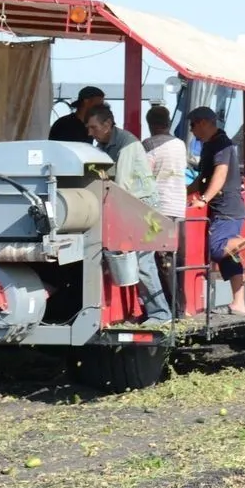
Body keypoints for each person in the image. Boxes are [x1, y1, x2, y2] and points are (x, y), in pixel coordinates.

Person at [84, 104, 173, 327]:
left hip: (142, 208)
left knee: (143, 262)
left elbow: (121, 187)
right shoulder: (103, 144)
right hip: (130, 205)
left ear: (107, 124)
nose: (90, 133)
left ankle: (161, 314)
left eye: (94, 127)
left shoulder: (127, 144)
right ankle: (145, 310)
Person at [187, 105, 245, 316]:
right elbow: (203, 178)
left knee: (216, 249)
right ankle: (238, 303)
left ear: (204, 123)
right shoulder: (209, 145)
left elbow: (220, 175)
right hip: (224, 209)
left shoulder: (222, 145)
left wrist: (204, 199)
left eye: (192, 126)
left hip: (226, 208)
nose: (192, 131)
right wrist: (185, 192)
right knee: (228, 257)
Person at [143, 104, 187, 313]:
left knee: (159, 260)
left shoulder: (149, 144)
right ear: (168, 122)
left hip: (158, 208)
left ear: (150, 124)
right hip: (178, 206)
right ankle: (181, 305)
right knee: (176, 259)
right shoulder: (180, 144)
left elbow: (144, 173)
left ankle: (169, 307)